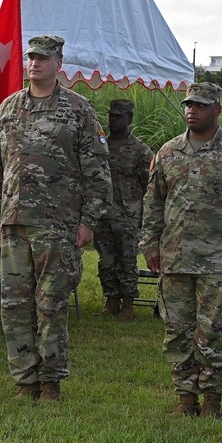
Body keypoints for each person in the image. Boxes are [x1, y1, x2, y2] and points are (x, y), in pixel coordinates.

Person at [0, 35, 111, 402]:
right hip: (13, 225)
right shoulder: (9, 107)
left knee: (50, 305)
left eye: (43, 58)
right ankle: (25, 381)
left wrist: (88, 221)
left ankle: (51, 383)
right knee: (13, 305)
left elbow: (98, 171)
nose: (35, 63)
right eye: (31, 57)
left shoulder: (78, 109)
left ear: (59, 62)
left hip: (57, 226)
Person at [141, 82, 222, 419]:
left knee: (214, 330)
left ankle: (212, 400)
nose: (191, 111)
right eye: (188, 105)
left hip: (220, 262)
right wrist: (150, 245)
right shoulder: (168, 152)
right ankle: (186, 398)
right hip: (175, 258)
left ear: (217, 109)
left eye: (200, 105)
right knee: (177, 332)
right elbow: (153, 203)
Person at [94, 99, 153, 320]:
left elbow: (151, 186)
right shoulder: (100, 147)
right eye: (111, 116)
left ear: (129, 119)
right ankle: (111, 300)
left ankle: (128, 303)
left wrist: (145, 216)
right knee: (106, 261)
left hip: (129, 216)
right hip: (103, 215)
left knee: (127, 261)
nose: (113, 119)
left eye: (118, 116)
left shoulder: (141, 151)